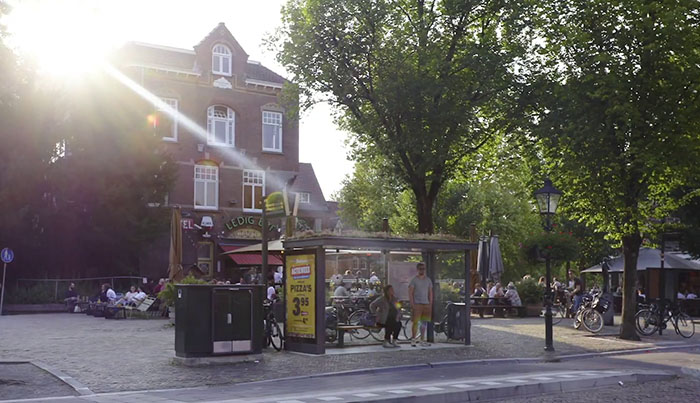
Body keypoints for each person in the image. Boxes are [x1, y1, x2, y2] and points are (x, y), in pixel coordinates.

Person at [408, 262, 432, 347]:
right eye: (421, 269)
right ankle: (413, 339)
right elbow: (410, 292)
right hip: (417, 304)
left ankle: (422, 339)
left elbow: (430, 293)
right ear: (418, 270)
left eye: (423, 269)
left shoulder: (428, 280)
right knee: (415, 322)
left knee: (424, 323)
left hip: (426, 304)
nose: (422, 270)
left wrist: (430, 303)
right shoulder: (414, 280)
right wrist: (412, 303)